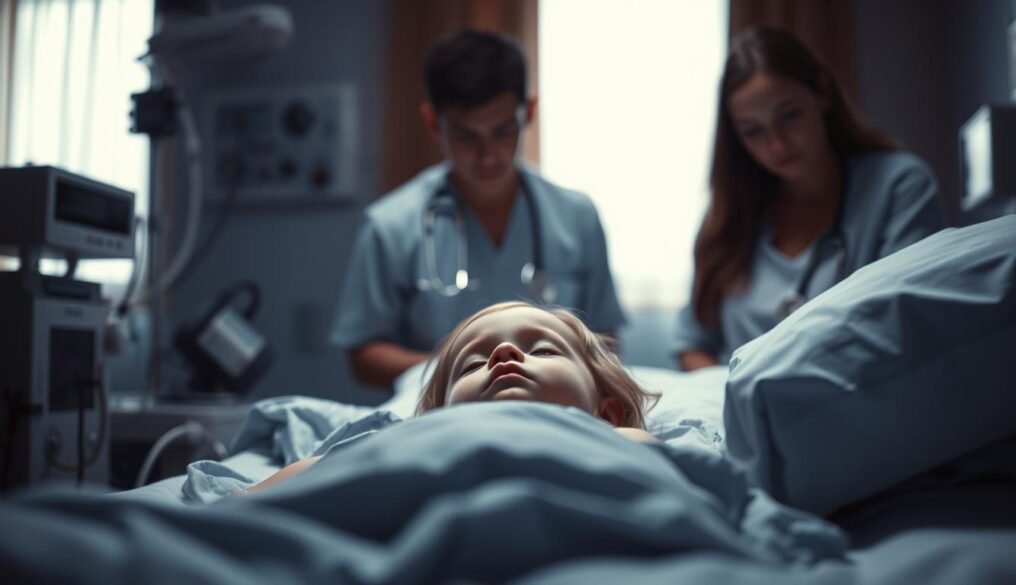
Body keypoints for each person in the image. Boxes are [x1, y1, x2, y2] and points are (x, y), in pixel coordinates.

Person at [332, 29, 625, 390]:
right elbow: (363, 356)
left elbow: (606, 339)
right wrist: (461, 371)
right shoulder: (390, 226)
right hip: (445, 410)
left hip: (555, 407)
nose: (487, 156)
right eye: (465, 136)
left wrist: (555, 376)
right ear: (433, 122)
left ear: (529, 112)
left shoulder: (577, 216)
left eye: (503, 131)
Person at [675, 25, 946, 371]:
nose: (777, 145)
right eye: (753, 131)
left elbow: (906, 324)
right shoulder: (727, 215)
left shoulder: (898, 186)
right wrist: (732, 393)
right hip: (736, 402)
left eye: (789, 115)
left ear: (823, 93)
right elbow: (692, 345)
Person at [249, 302, 659, 492]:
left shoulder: (617, 438)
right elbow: (310, 474)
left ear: (608, 413)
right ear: (436, 416)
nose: (504, 353)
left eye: (544, 350)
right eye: (471, 364)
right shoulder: (414, 443)